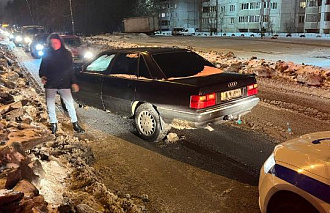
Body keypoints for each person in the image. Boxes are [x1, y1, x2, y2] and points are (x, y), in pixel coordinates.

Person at [39, 33, 84, 134]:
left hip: (64, 82)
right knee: (50, 104)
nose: (54, 45)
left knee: (70, 104)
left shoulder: (66, 53)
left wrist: (74, 82)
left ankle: (75, 124)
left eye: (55, 42)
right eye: (51, 43)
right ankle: (53, 124)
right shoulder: (47, 53)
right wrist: (42, 76)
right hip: (50, 82)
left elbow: (70, 69)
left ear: (60, 42)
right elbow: (42, 68)